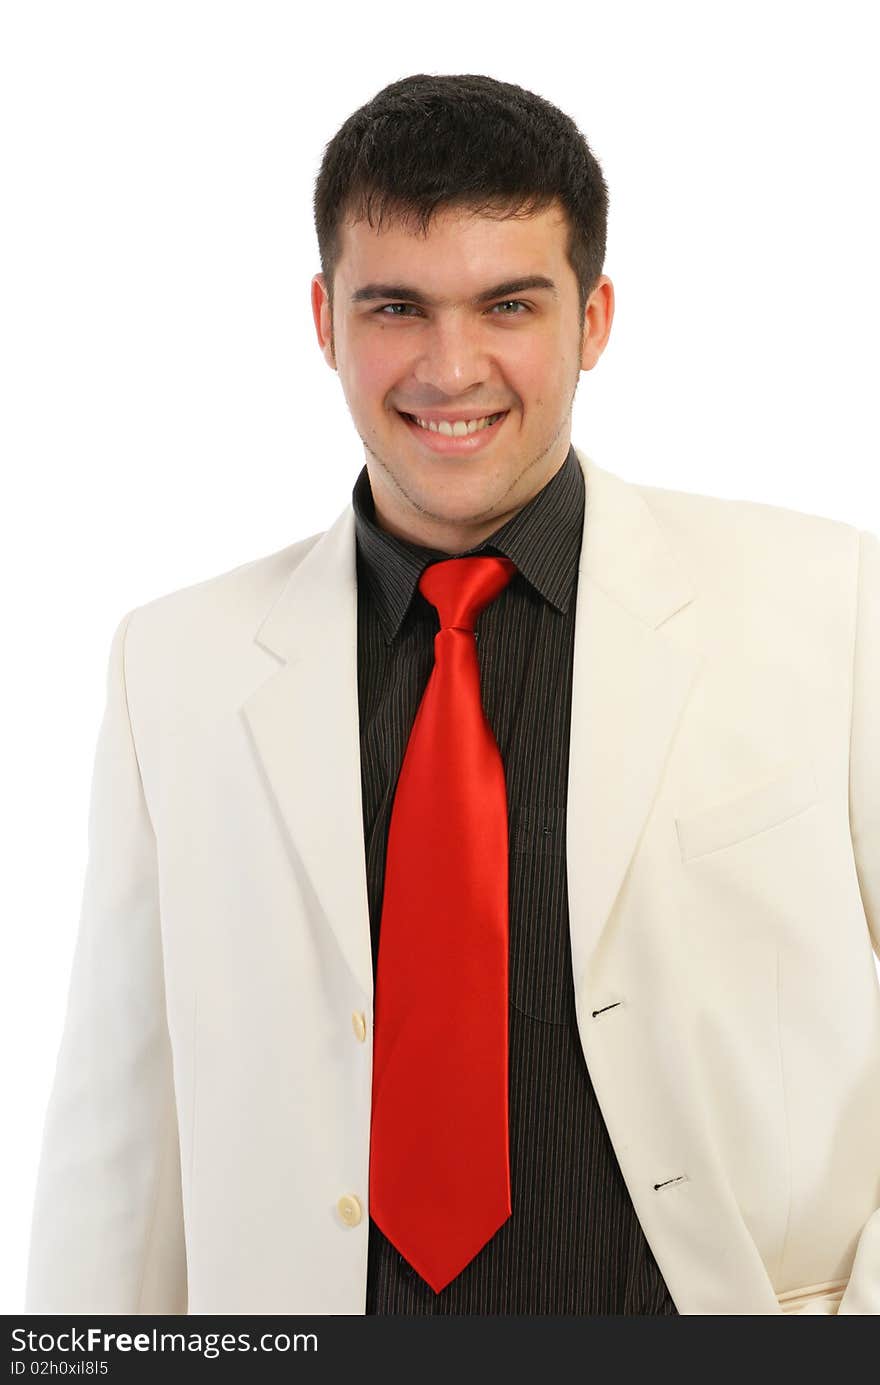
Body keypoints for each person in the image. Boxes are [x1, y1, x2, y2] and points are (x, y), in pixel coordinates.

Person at [24, 72, 880, 1317]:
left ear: (592, 319)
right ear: (323, 319)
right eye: (395, 306)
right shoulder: (177, 668)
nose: (449, 364)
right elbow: (121, 1144)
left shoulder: (831, 602)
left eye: (507, 303)